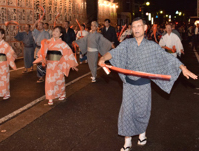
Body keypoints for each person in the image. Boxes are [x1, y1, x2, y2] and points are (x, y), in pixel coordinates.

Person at [98, 17, 197, 151]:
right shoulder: (127, 44)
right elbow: (114, 53)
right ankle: (127, 142)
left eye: (139, 26)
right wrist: (103, 57)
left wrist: (182, 67)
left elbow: (166, 57)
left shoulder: (151, 46)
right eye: (134, 26)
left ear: (145, 28)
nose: (136, 29)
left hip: (143, 85)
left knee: (142, 111)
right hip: (129, 85)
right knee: (126, 112)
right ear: (131, 29)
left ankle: (142, 135)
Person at [34, 26, 78, 105]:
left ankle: (61, 94)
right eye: (54, 31)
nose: (54, 32)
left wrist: (72, 64)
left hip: (59, 64)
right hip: (50, 64)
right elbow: (42, 51)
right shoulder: (48, 42)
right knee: (49, 81)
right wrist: (42, 58)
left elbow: (68, 54)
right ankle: (50, 98)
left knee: (59, 80)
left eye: (57, 31)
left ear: (61, 34)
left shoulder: (63, 44)